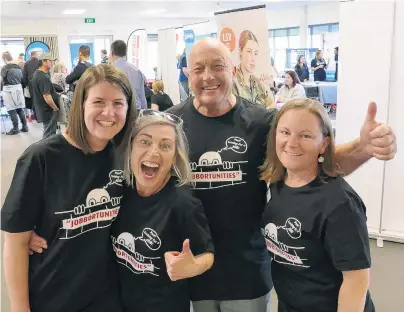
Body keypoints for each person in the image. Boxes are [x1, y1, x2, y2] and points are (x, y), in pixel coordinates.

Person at [167, 38, 396, 312]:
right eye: (198, 69)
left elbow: (310, 162)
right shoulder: (171, 125)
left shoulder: (261, 122)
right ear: (187, 74)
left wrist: (362, 148)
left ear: (233, 70)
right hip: (196, 266)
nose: (208, 76)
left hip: (247, 271)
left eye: (218, 66)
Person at [1, 64, 136, 312]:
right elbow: (15, 241)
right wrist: (19, 308)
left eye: (118, 103)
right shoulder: (41, 158)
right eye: (98, 102)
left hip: (108, 297)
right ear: (81, 104)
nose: (109, 112)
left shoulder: (126, 154)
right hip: (53, 296)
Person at [260, 99, 375, 312]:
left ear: (323, 144)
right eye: (285, 132)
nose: (292, 143)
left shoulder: (340, 204)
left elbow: (356, 279)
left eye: (305, 136)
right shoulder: (278, 183)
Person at [112, 110, 214, 311]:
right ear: (130, 147)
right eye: (145, 142)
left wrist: (192, 267)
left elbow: (207, 254)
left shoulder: (182, 203)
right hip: (119, 302)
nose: (153, 152)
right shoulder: (119, 191)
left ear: (175, 156)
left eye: (165, 145)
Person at [233, 30, 274, 108]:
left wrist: (267, 86)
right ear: (240, 52)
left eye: (256, 53)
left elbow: (272, 107)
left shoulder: (257, 82)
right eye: (249, 51)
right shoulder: (233, 83)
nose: (253, 58)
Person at [110, 40, 147, 111]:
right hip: (137, 110)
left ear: (111, 53)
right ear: (125, 53)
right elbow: (142, 96)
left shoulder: (111, 70)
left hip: (119, 110)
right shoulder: (136, 70)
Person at [31, 53, 60, 139]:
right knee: (49, 134)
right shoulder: (43, 76)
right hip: (47, 110)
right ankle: (47, 151)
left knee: (49, 132)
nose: (52, 63)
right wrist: (55, 108)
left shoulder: (37, 74)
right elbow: (46, 96)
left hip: (42, 108)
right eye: (50, 61)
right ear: (44, 62)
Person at [1, 51, 28, 135]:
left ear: (5, 59)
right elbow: (22, 79)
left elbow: (1, 80)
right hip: (18, 89)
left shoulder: (5, 68)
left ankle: (15, 128)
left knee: (11, 109)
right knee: (20, 108)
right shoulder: (18, 67)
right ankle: (25, 126)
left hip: (8, 90)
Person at [22, 50, 39, 121]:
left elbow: (24, 75)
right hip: (40, 82)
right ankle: (42, 116)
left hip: (31, 83)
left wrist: (26, 84)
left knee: (33, 99)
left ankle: (35, 116)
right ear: (36, 55)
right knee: (42, 98)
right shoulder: (40, 62)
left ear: (31, 55)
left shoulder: (27, 63)